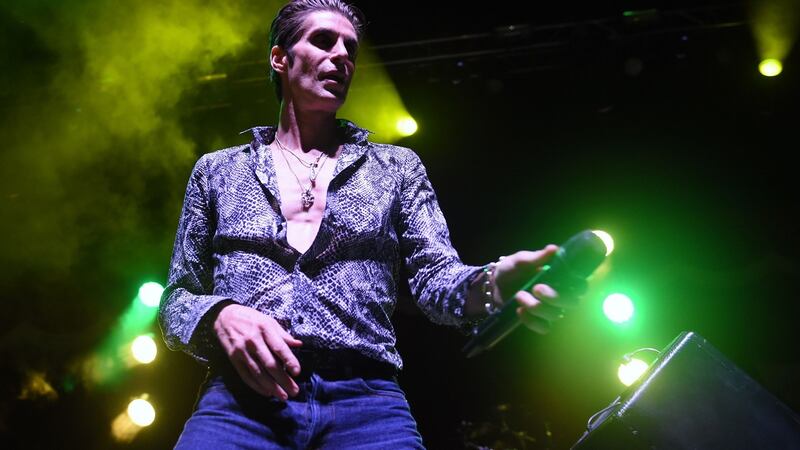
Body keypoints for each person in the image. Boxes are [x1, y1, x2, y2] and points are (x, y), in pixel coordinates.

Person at [158, 1, 581, 448]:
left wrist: (493, 283)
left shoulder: (396, 167)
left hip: (366, 402)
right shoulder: (218, 170)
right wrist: (219, 313)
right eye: (323, 40)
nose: (341, 55)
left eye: (350, 49)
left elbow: (437, 281)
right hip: (240, 402)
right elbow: (175, 301)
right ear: (280, 58)